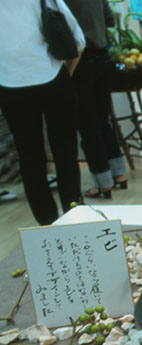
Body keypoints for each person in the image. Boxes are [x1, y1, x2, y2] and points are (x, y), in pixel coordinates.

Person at [0, 0, 85, 225]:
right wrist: (65, 75)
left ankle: (46, 223)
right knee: (66, 153)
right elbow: (78, 40)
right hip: (52, 78)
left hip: (9, 85)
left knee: (29, 157)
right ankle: (74, 216)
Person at [65, 0, 128, 199]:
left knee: (87, 125)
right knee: (103, 120)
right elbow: (110, 19)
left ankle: (103, 184)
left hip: (80, 60)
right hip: (103, 58)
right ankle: (119, 174)